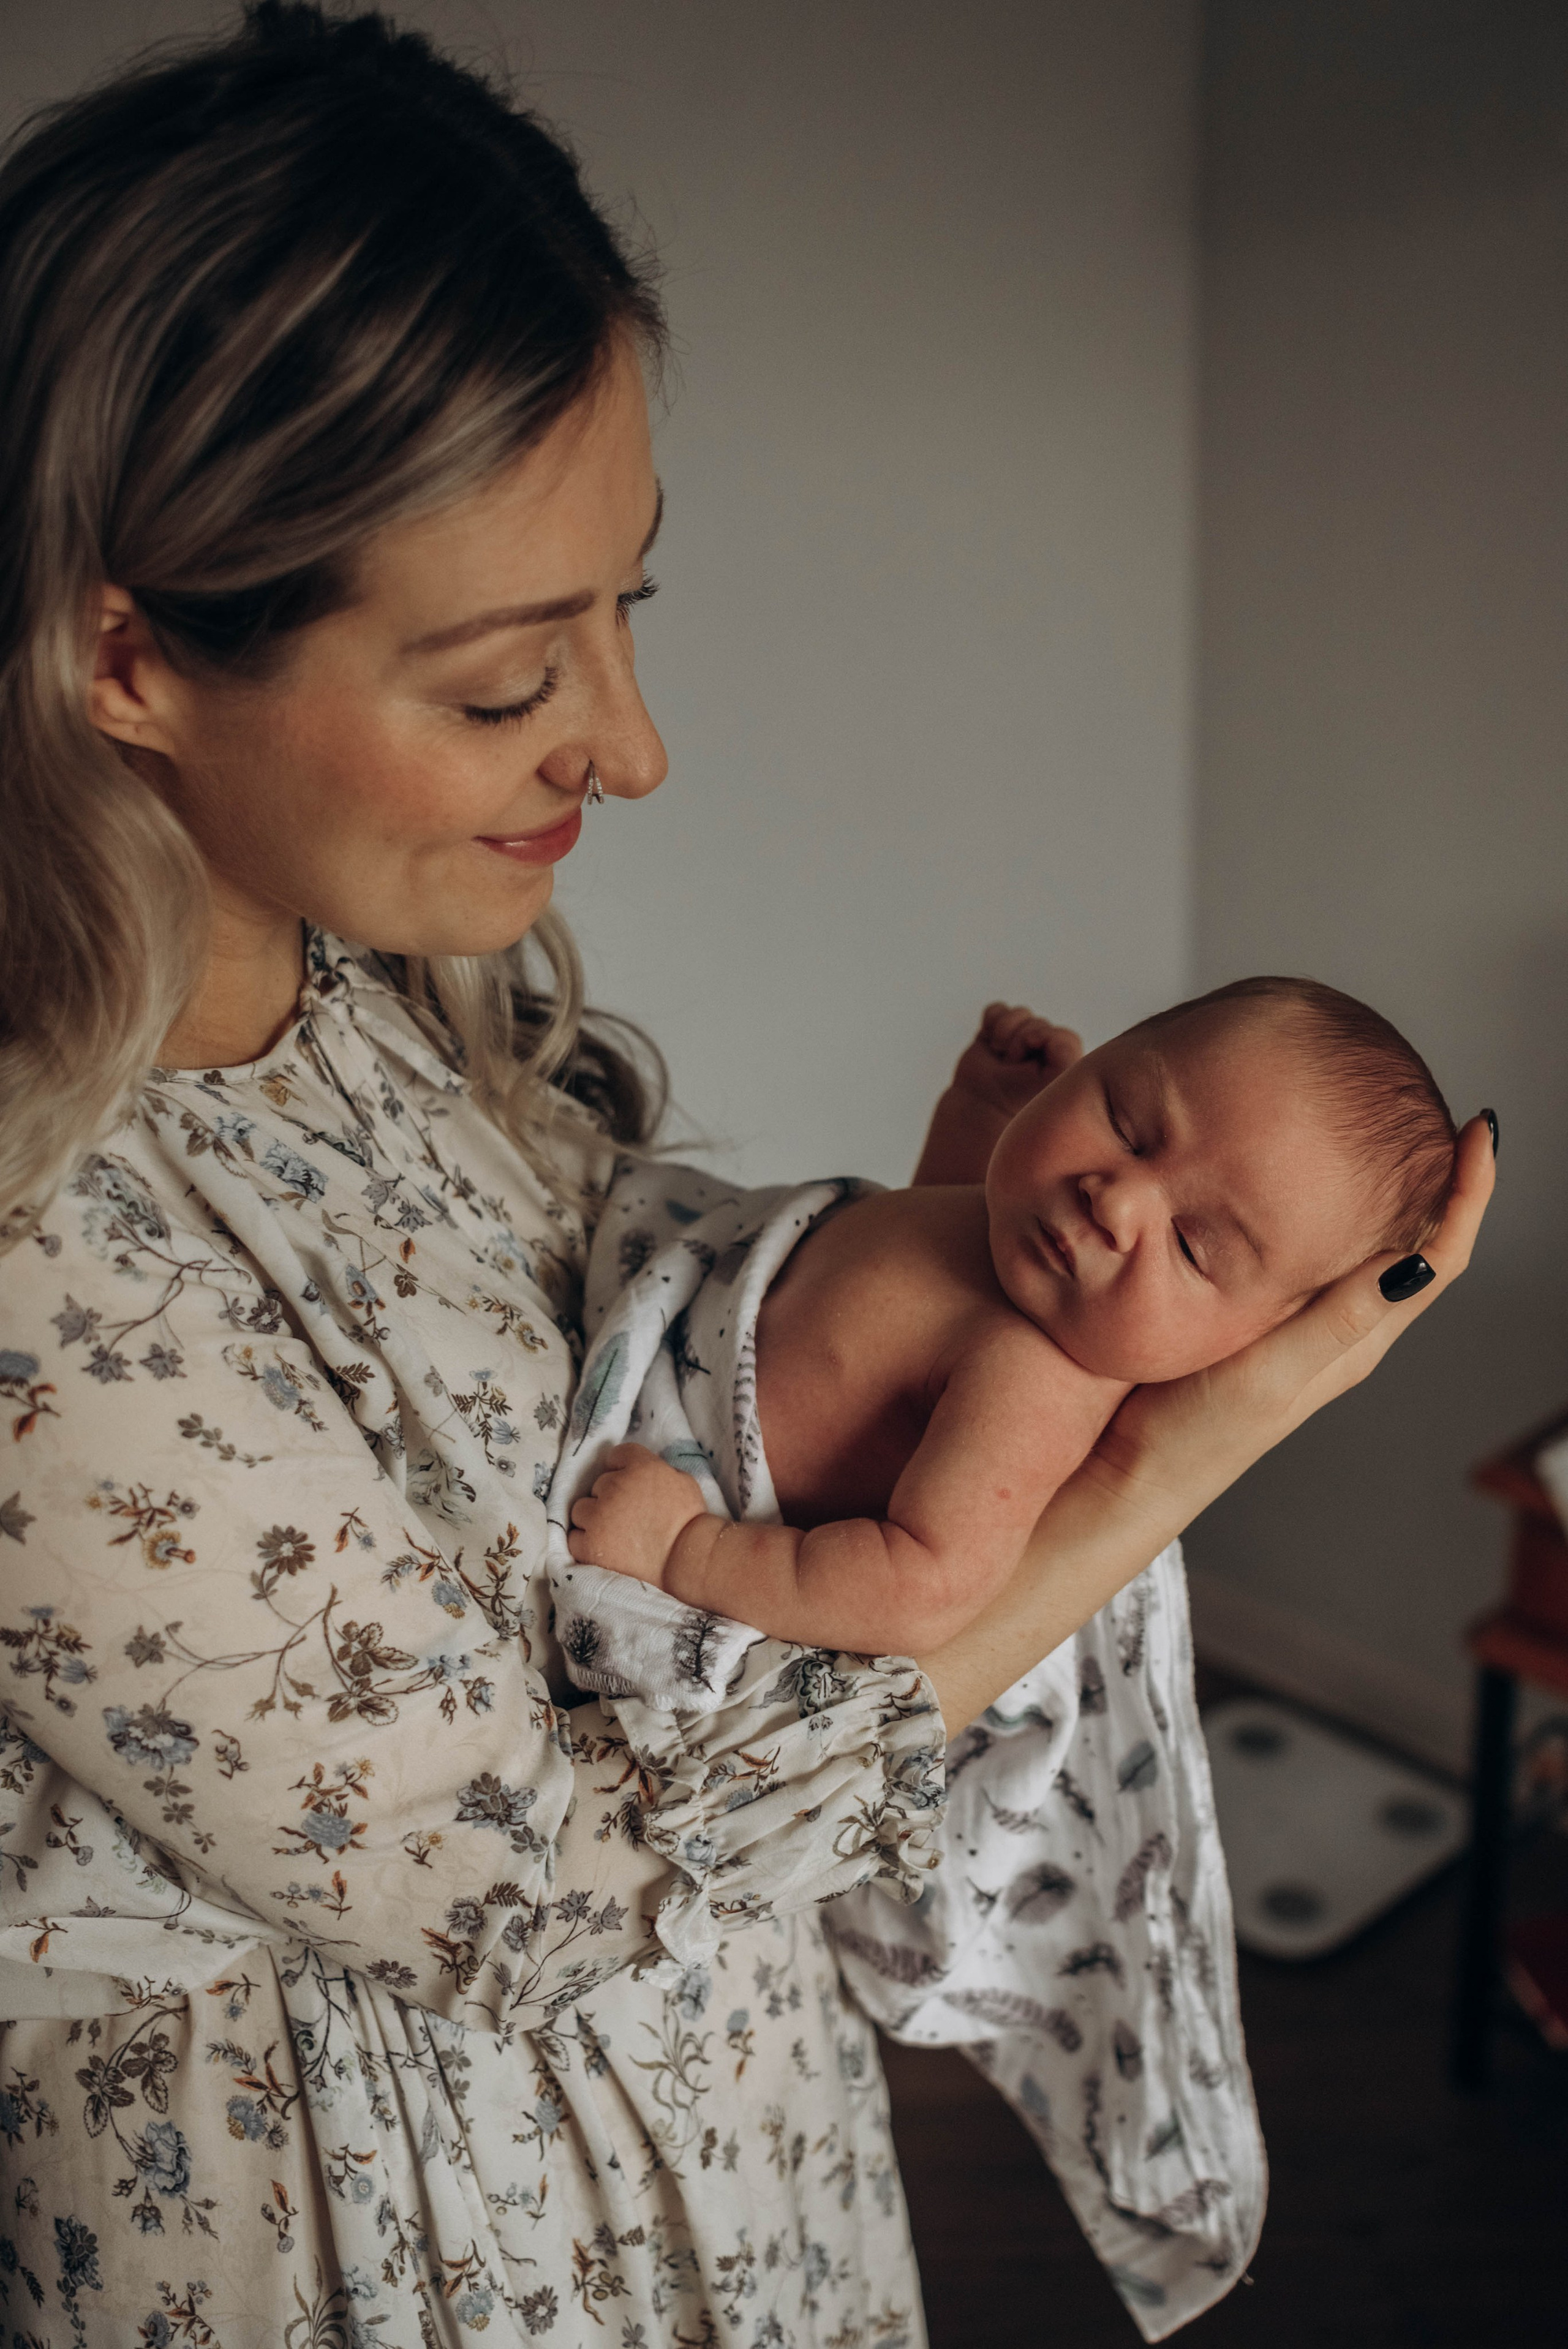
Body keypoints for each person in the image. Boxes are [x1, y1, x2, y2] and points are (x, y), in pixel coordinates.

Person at [0, 8, 1493, 2346]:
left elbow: (691, 1405)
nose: (635, 743)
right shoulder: (41, 1266)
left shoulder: (366, 990)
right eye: (511, 682)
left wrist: (936, 1237)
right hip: (402, 2252)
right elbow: (541, 1893)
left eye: (632, 610)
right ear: (127, 656)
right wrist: (1193, 1441)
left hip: (739, 2148)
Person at [567, 977, 1457, 1653]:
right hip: (694, 1302)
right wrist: (981, 1112)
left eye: (1193, 1248)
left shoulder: (1035, 1381)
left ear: (1252, 1345)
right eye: (1127, 1122)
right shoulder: (1023, 1239)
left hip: (697, 1481)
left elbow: (920, 1582)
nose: (1117, 1199)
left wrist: (691, 1551)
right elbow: (920, 1252)